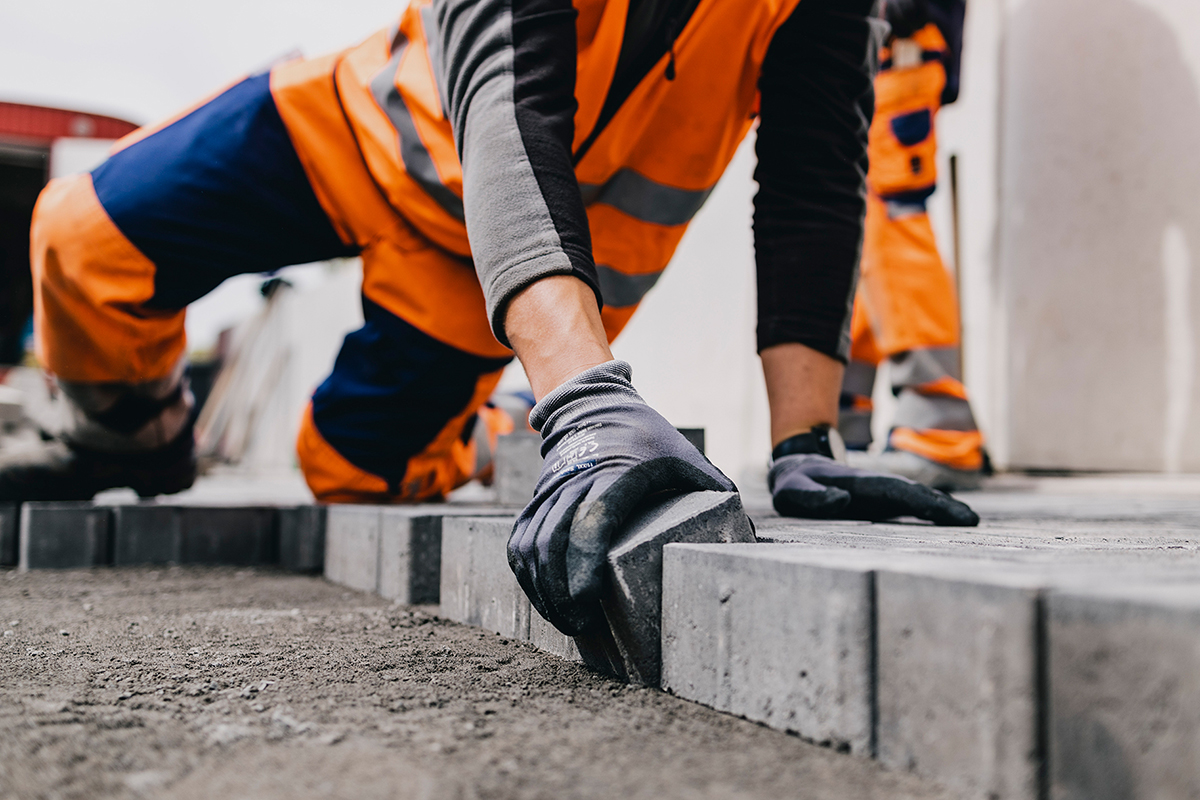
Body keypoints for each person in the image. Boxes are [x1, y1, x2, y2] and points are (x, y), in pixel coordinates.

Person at [4, 0, 977, 634]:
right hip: (364, 130)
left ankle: (477, 431)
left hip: (484, 270)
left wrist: (805, 443)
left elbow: (813, 185)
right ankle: (128, 439)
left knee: (348, 470)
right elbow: (512, 108)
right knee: (80, 238)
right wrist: (588, 401)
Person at [836, 0, 985, 491]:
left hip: (893, 44)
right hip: (872, 41)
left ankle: (939, 425)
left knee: (890, 228)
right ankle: (843, 420)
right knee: (857, 234)